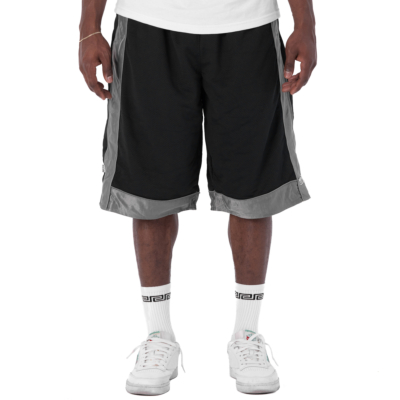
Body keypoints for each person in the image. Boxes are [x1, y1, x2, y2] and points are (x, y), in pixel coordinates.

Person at [79, 0, 316, 395]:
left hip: (248, 23)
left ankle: (246, 334)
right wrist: (89, 27)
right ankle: (158, 336)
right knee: (149, 190)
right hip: (149, 22)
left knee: (252, 187)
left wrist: (305, 23)